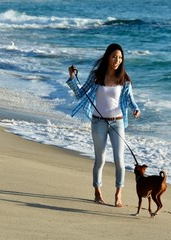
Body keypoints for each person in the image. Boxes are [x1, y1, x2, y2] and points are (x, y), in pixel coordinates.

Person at [66, 43, 141, 207]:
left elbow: (130, 100)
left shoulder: (124, 79)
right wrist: (72, 78)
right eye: (114, 56)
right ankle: (97, 192)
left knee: (119, 160)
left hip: (117, 123)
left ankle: (118, 193)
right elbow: (80, 94)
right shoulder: (96, 76)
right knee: (100, 159)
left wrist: (136, 109)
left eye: (120, 58)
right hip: (98, 122)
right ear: (108, 57)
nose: (117, 60)